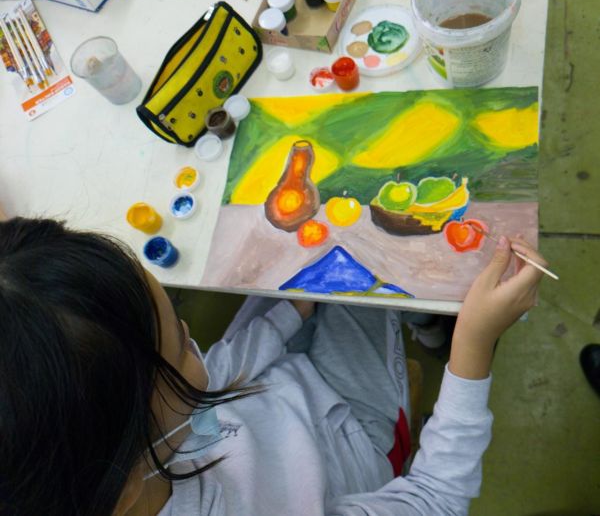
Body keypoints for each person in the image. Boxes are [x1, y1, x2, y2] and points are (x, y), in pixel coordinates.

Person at [0, 206, 546, 516]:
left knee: (334, 250)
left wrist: (289, 312)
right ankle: (434, 329)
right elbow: (435, 497)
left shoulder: (111, 446)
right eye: (181, 344)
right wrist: (473, 344)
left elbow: (207, 388)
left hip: (266, 394)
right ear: (126, 486)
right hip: (349, 437)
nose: (193, 334)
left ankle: (421, 320)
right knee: (375, 262)